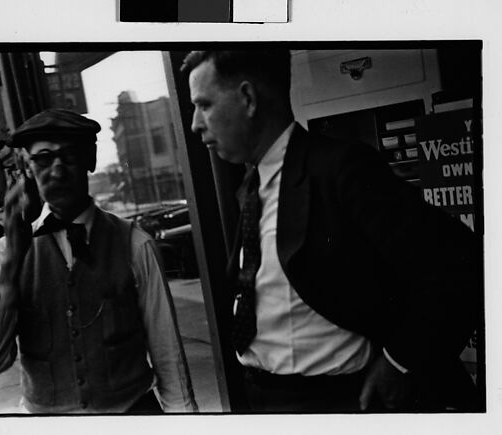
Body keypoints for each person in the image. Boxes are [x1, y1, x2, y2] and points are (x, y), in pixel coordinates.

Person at [183, 50, 480, 413]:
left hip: (341, 401)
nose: (196, 123)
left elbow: (458, 263)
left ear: (248, 98)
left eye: (204, 104)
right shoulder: (251, 187)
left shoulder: (340, 169)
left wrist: (400, 362)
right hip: (268, 398)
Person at [0, 109, 197, 414]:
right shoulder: (7, 252)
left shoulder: (135, 243)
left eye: (70, 155)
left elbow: (167, 352)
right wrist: (11, 268)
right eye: (43, 159)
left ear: (91, 159)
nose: (57, 171)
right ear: (28, 169)